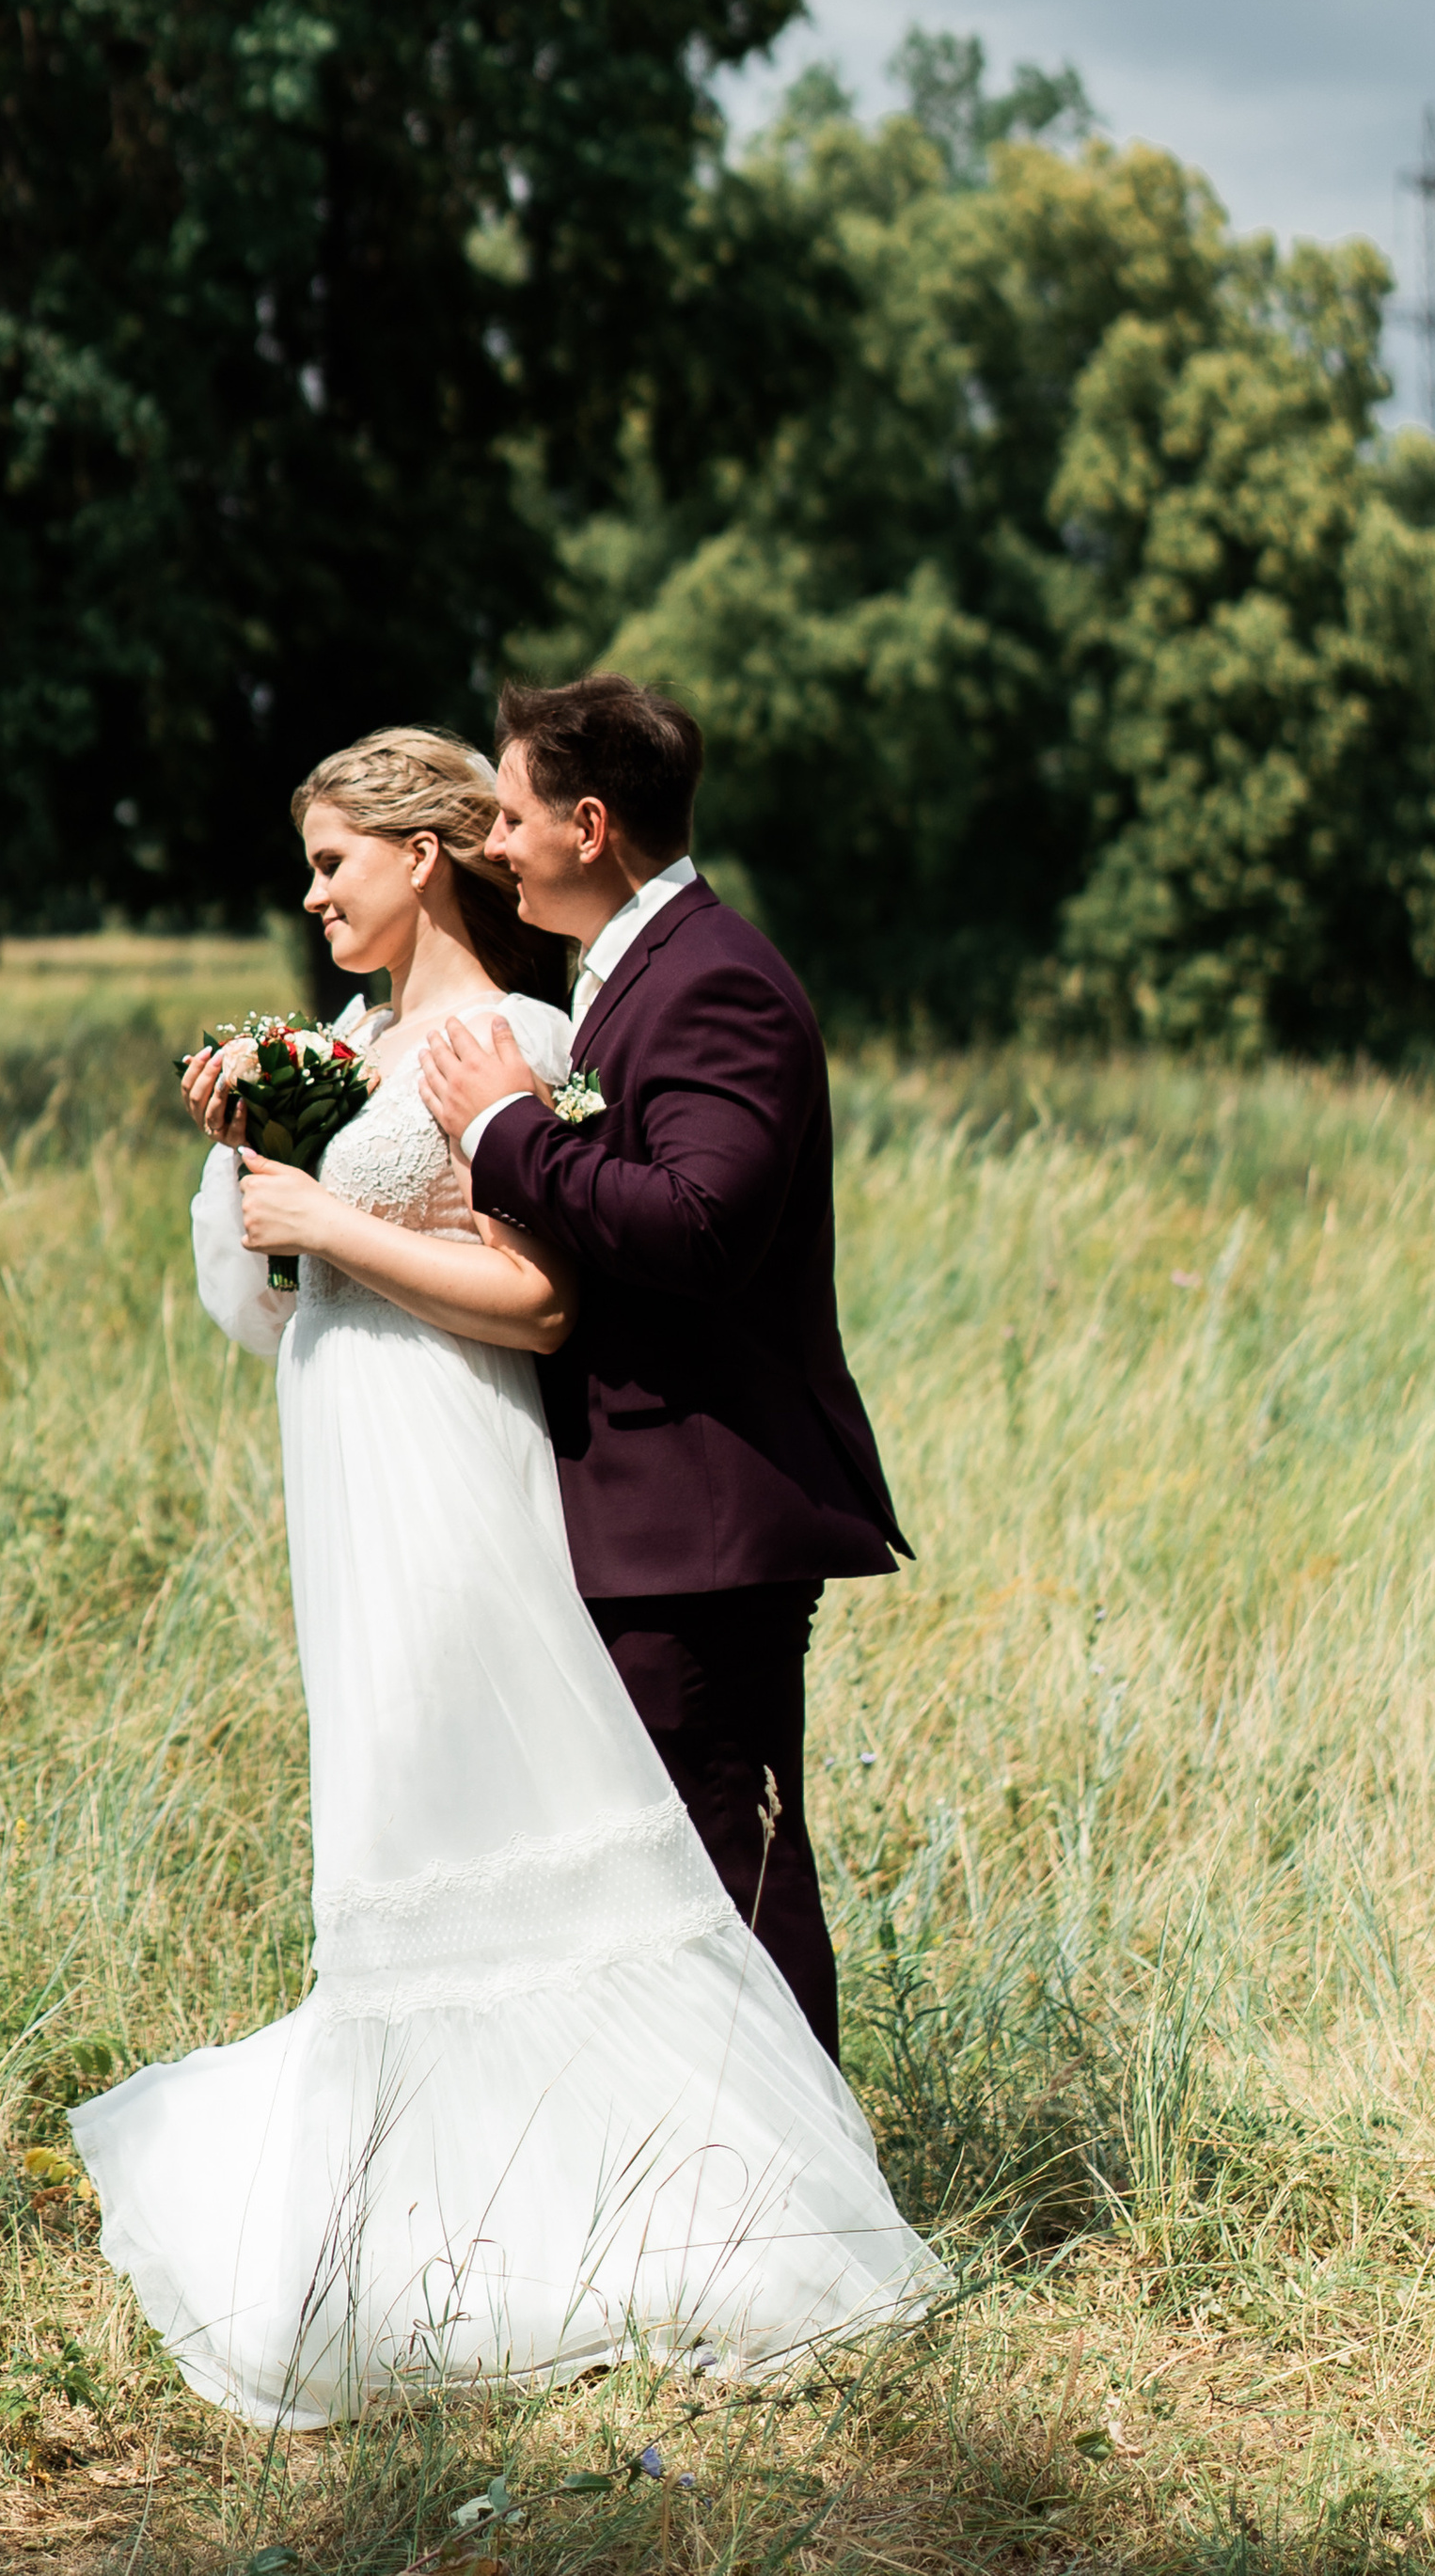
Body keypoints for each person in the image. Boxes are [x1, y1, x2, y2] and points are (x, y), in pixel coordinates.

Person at [70, 727, 938, 2430]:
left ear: (423, 854)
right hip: (346, 1471)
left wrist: (330, 1226)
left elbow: (538, 1302)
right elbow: (268, 1306)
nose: (313, 892)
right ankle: (441, 2209)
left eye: (335, 860)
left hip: (459, 1469)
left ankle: (704, 2208)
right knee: (391, 1824)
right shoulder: (347, 1049)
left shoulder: (520, 1043)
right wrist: (258, 1155)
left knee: (502, 1820)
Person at [417, 672, 907, 2064]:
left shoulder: (718, 984)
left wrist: (510, 1133)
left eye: (509, 817)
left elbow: (702, 1229)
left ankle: (800, 2218)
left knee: (728, 1870)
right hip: (641, 1515)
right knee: (666, 1868)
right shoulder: (634, 972)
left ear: (589, 823)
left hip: (704, 1522)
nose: (491, 844)